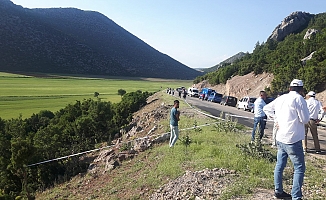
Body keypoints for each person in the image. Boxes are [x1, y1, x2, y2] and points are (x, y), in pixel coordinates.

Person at [263, 79, 309, 200]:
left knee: (280, 165)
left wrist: (276, 119)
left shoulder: (282, 98)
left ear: (289, 88)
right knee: (299, 168)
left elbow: (266, 109)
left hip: (281, 137)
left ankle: (278, 191)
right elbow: (305, 119)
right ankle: (296, 196)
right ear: (301, 89)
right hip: (293, 138)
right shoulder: (299, 99)